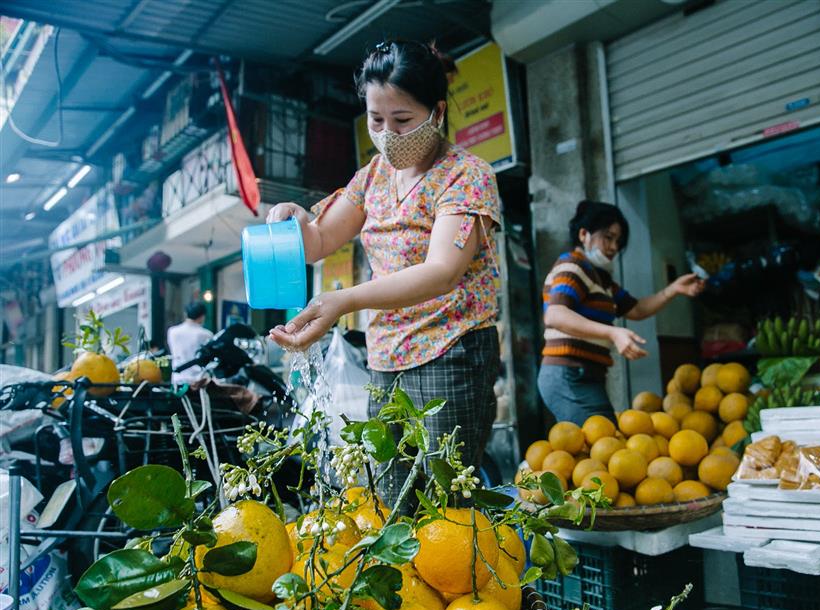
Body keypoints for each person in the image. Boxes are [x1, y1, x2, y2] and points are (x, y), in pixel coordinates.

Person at [267, 40, 501, 501]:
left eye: (402, 120)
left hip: (450, 351)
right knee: (393, 501)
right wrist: (293, 216)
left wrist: (346, 300)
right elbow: (318, 241)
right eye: (377, 120)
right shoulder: (373, 177)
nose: (388, 134)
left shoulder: (466, 175)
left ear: (436, 111)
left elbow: (442, 271)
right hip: (386, 357)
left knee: (443, 506)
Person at [538, 201, 704, 425]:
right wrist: (614, 333)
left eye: (618, 241)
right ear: (584, 234)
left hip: (587, 375)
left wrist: (673, 289)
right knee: (598, 446)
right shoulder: (573, 266)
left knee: (603, 443)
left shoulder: (601, 279)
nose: (614, 247)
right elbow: (555, 314)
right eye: (608, 237)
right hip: (568, 375)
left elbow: (636, 309)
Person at [167, 302, 213, 386]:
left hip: (178, 379)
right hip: (199, 381)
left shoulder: (172, 332)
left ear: (186, 314)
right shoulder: (206, 334)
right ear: (202, 316)